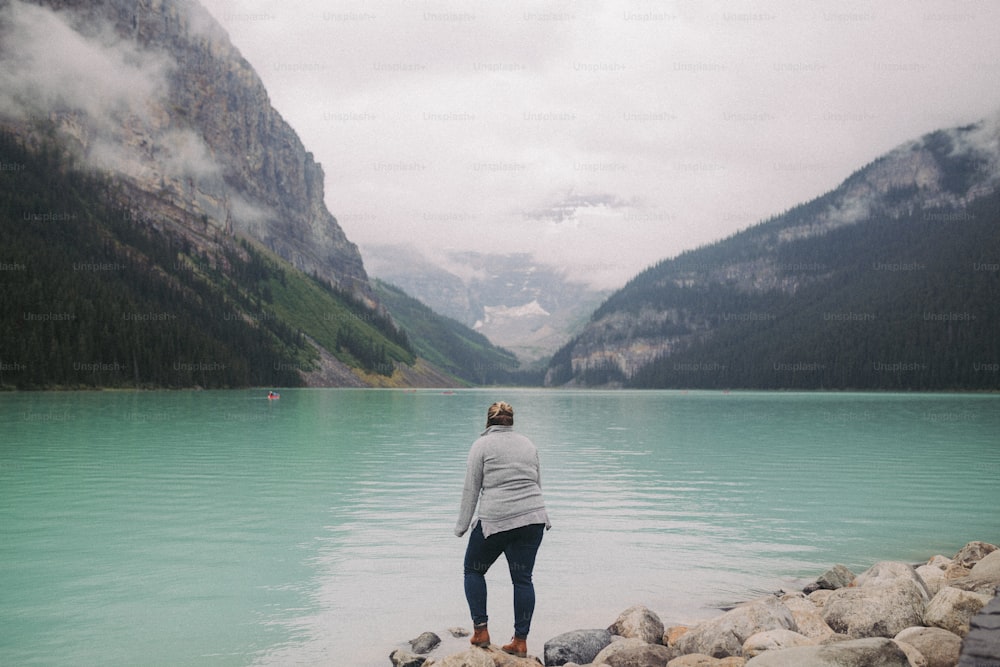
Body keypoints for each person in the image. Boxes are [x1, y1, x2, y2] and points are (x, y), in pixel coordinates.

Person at [455, 401, 551, 658]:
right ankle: (520, 641)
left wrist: (461, 527)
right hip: (533, 518)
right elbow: (537, 483)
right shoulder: (528, 444)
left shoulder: (481, 445)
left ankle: (481, 631)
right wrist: (543, 518)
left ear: (488, 422)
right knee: (523, 579)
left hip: (497, 520)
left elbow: (471, 489)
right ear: (511, 421)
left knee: (473, 570)